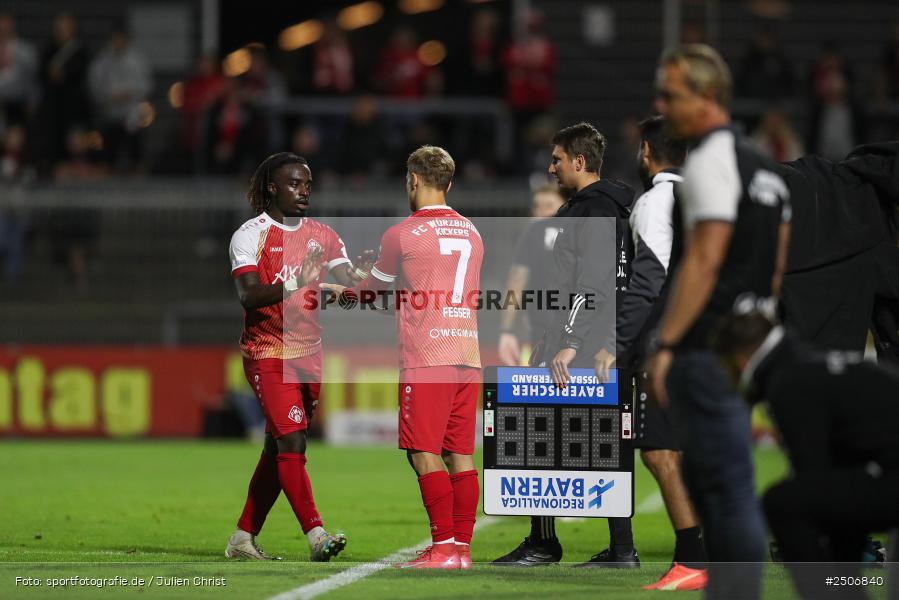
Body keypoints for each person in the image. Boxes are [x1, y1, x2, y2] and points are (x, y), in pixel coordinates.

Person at [646, 44, 791, 600]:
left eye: (672, 94)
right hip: (749, 345)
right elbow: (776, 265)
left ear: (707, 96)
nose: (663, 104)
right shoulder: (765, 167)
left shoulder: (709, 160)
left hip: (707, 347)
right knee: (730, 481)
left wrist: (667, 343)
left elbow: (703, 260)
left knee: (721, 489)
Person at [323, 146, 483, 570]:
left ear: (412, 180)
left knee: (422, 452)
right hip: (467, 353)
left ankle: (443, 548)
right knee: (460, 455)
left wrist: (345, 292)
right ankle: (461, 550)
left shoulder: (401, 234)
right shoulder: (472, 232)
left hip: (427, 358)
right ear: (448, 184)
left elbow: (372, 293)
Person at [491, 122, 637, 567]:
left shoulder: (591, 211)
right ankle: (621, 549)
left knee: (541, 439)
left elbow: (592, 282)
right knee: (605, 444)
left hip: (581, 344)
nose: (551, 167)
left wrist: (569, 340)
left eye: (557, 159)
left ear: (579, 161)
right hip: (604, 341)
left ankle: (543, 542)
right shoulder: (615, 207)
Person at [225, 152, 372, 562]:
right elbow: (249, 294)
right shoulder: (249, 234)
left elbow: (348, 288)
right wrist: (298, 281)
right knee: (292, 440)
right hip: (267, 351)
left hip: (310, 353)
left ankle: (242, 537)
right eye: (294, 184)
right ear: (272, 187)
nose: (304, 191)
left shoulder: (323, 235)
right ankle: (316, 534)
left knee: (279, 446)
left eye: (308, 184)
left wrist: (363, 277)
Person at [713, 310, 899, 600]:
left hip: (888, 476)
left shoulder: (789, 383)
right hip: (883, 471)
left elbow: (816, 478)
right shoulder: (810, 366)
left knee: (782, 502)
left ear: (740, 360)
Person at [595, 116, 708, 590]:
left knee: (660, 451)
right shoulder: (711, 198)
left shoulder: (657, 200)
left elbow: (648, 281)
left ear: (646, 152)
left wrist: (615, 344)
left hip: (672, 347)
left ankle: (694, 560)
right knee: (696, 450)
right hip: (717, 344)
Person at [497, 184, 565, 367]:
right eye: (537, 206)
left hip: (543, 326)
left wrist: (506, 330)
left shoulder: (533, 231)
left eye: (549, 206)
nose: (542, 212)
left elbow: (516, 281)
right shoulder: (582, 229)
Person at [87, 26, 151, 173]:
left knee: (135, 151)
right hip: (110, 114)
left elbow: (146, 85)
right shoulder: (102, 61)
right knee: (110, 152)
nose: (118, 42)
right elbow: (94, 85)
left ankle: (137, 177)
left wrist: (129, 93)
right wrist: (108, 96)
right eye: (115, 39)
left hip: (132, 115)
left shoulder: (137, 60)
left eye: (121, 39)